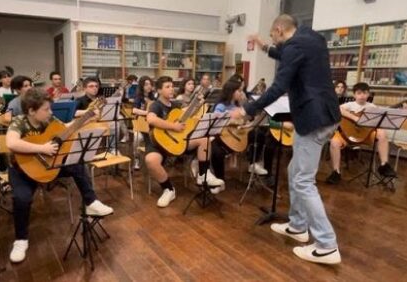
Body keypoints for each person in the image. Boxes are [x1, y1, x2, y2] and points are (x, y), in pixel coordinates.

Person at [243, 14, 342, 264]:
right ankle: (297, 226)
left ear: (278, 30)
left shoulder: (294, 46)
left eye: (273, 37)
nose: (274, 40)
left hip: (312, 117)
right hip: (327, 113)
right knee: (294, 169)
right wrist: (265, 46)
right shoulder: (312, 39)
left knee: (303, 181)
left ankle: (326, 245)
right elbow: (287, 54)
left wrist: (247, 108)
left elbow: (277, 87)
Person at [5, 87, 113, 263]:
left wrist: (86, 118)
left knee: (76, 162)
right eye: (46, 109)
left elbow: (65, 129)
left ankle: (91, 201)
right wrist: (42, 148)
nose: (50, 112)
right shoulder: (19, 121)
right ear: (31, 111)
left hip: (49, 165)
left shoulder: (49, 120)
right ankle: (21, 240)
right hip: (22, 170)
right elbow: (11, 142)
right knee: (22, 199)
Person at [145, 76, 224, 207]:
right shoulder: (156, 105)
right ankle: (169, 189)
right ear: (159, 90)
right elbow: (151, 119)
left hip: (178, 142)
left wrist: (197, 103)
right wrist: (173, 126)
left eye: (172, 86)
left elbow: (188, 113)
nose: (171, 89)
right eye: (167, 87)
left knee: (205, 140)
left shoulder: (176, 104)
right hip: (159, 144)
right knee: (150, 160)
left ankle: (203, 174)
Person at [326, 82, 396, 184]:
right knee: (334, 141)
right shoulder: (349, 105)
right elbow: (337, 109)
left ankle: (384, 164)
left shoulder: (372, 107)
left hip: (365, 136)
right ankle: (336, 172)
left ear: (368, 94)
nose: (362, 96)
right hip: (347, 135)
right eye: (359, 93)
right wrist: (355, 118)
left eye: (365, 93)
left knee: (382, 133)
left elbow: (379, 121)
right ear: (354, 95)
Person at [132, 76, 156, 170]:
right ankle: (136, 159)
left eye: (150, 84)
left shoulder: (153, 98)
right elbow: (134, 110)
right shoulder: (138, 97)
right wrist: (147, 113)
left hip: (150, 124)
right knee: (137, 138)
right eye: (146, 84)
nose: (149, 86)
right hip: (140, 123)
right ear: (141, 86)